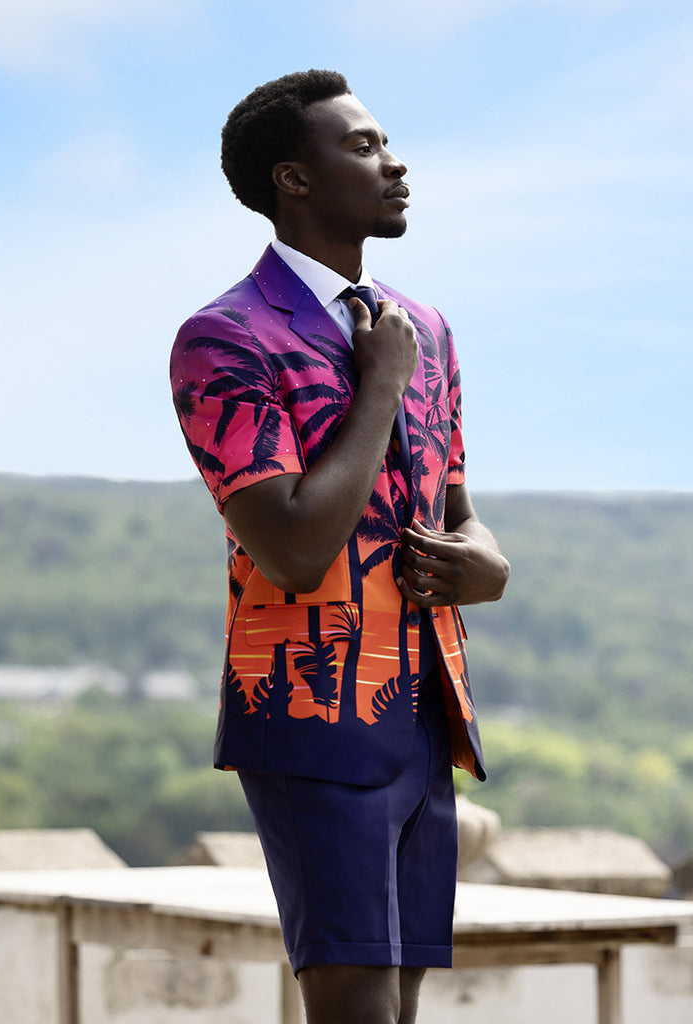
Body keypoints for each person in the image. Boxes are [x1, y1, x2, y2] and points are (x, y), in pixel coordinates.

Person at [170, 69, 510, 1024]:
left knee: (399, 1006)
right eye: (362, 147)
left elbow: (457, 508)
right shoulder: (225, 338)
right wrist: (380, 387)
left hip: (425, 714)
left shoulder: (421, 330)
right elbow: (290, 545)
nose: (394, 162)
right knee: (354, 1007)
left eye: (386, 141)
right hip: (311, 708)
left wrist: (488, 564)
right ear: (294, 179)